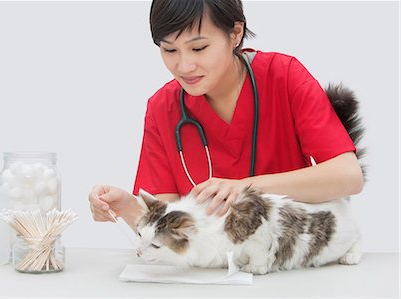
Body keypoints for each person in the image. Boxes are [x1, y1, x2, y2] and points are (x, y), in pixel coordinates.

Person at [88, 0, 364, 230]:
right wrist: (126, 207)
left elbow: (348, 176)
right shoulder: (163, 107)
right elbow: (167, 224)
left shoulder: (284, 76)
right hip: (210, 274)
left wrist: (245, 188)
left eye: (198, 48)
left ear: (234, 34)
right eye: (169, 50)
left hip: (286, 260)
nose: (184, 65)